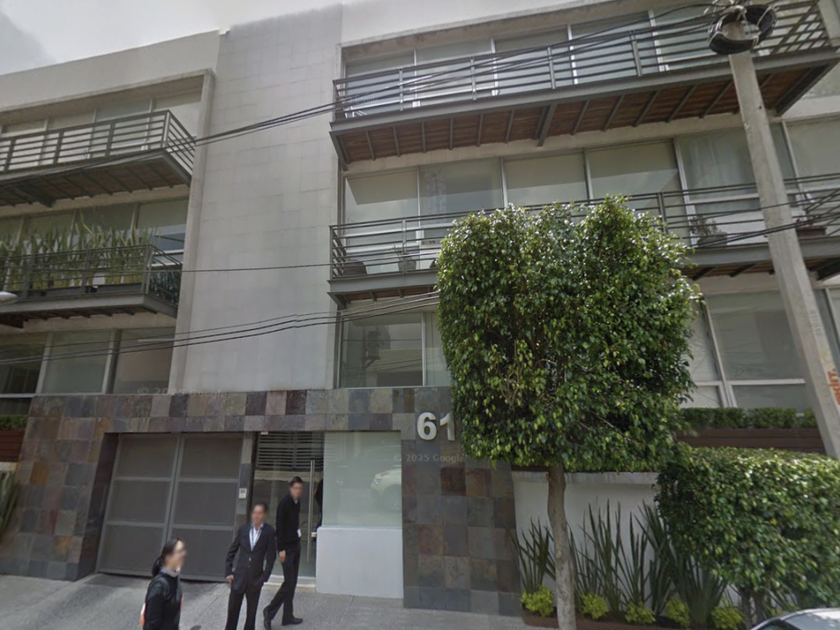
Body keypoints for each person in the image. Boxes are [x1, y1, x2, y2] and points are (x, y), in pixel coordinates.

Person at [224, 502, 277, 630]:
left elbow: (271, 557)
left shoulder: (269, 532)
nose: (256, 516)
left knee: (251, 614)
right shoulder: (243, 530)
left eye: (259, 513)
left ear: (264, 515)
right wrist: (228, 572)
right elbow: (231, 551)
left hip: (255, 579)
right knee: (232, 612)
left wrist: (264, 577)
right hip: (239, 577)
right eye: (254, 513)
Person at [263, 477, 304, 628]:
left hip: (296, 545)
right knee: (288, 584)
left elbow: (294, 523)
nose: (298, 491)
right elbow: (279, 527)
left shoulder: (297, 502)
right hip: (286, 549)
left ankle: (287, 616)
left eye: (300, 488)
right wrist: (281, 549)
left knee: (292, 583)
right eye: (295, 488)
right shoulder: (284, 504)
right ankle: (269, 611)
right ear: (290, 488)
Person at [142, 538, 186, 630]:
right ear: (168, 557)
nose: (183, 554)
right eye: (179, 552)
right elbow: (151, 623)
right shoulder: (159, 585)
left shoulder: (175, 579)